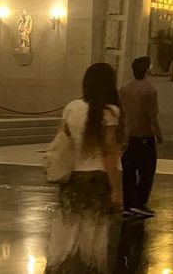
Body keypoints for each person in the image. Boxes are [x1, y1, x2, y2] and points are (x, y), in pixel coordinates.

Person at [46, 63, 123, 273]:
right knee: (94, 229)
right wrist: (117, 189)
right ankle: (89, 267)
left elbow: (64, 141)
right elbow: (109, 154)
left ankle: (62, 266)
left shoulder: (72, 107)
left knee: (68, 226)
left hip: (73, 176)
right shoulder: (110, 112)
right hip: (98, 178)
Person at [120, 56, 163, 218]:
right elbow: (151, 115)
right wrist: (158, 133)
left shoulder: (124, 88)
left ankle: (128, 202)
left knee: (128, 171)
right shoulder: (149, 89)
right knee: (147, 172)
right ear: (146, 69)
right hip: (144, 135)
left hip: (128, 135)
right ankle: (139, 202)